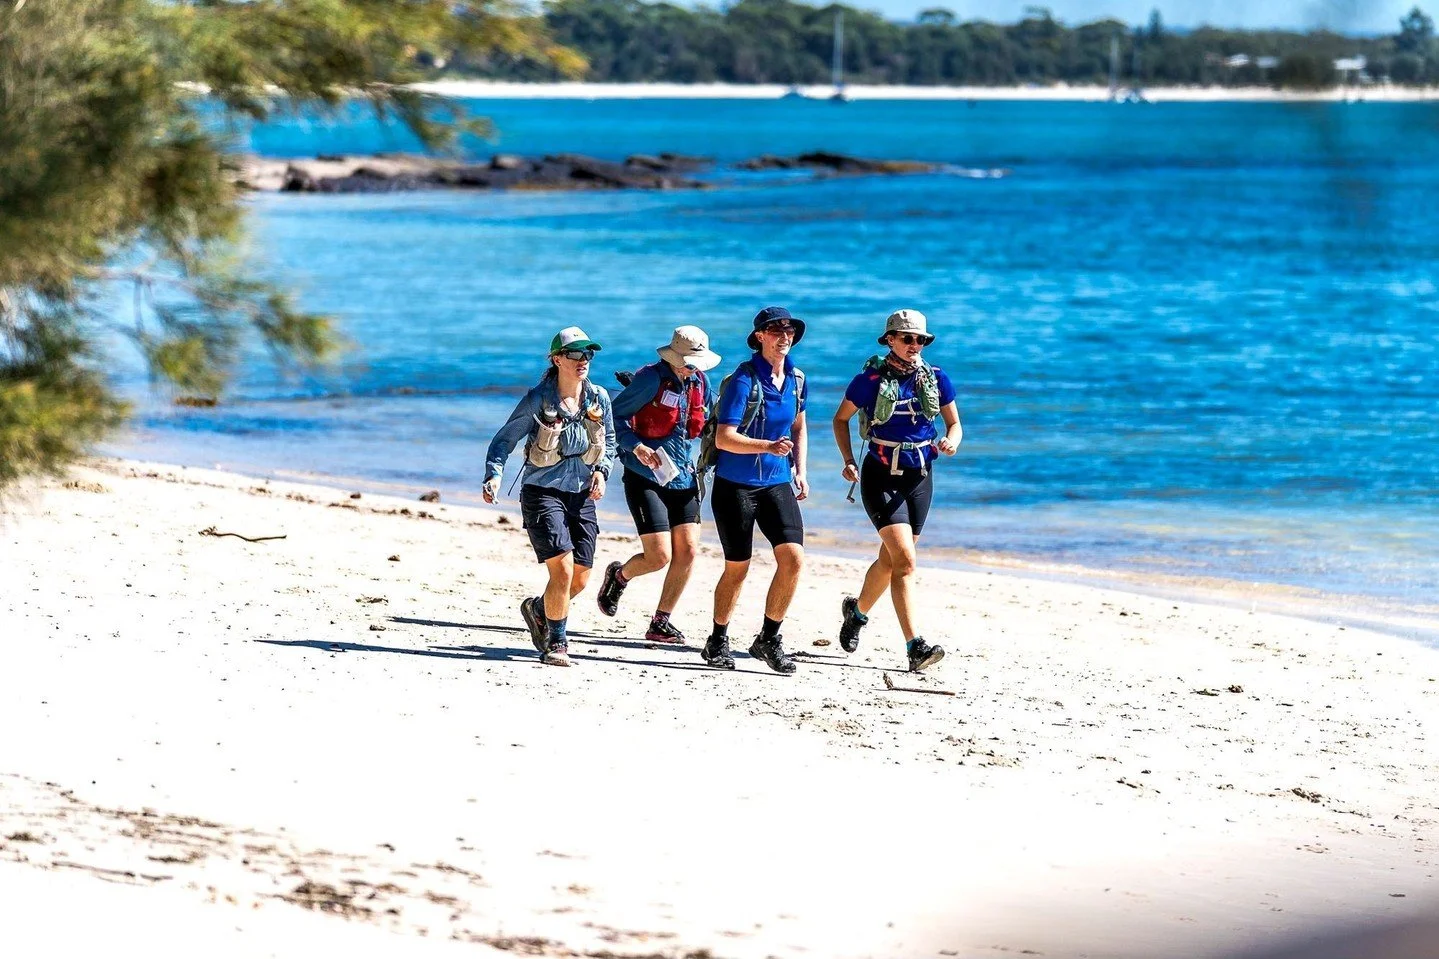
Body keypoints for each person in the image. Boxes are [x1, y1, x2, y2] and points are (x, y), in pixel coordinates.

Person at [830, 309, 961, 672]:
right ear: (890, 340)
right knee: (905, 561)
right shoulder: (868, 380)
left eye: (920, 339)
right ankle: (915, 647)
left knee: (891, 560)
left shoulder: (936, 378)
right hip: (880, 475)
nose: (915, 345)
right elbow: (840, 419)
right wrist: (847, 459)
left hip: (920, 475)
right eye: (907, 338)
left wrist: (951, 441)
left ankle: (856, 614)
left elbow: (955, 425)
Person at [483, 327, 616, 667]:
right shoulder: (538, 399)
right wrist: (494, 474)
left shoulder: (599, 397)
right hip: (542, 492)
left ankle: (539, 609)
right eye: (575, 354)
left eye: (588, 354)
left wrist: (602, 471)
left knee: (582, 577)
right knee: (563, 571)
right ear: (557, 359)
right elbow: (504, 440)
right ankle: (556, 643)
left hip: (582, 493)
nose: (583, 360)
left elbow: (610, 441)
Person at [700, 306, 810, 674]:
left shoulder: (796, 379)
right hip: (735, 487)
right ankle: (717, 639)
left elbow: (798, 426)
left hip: (777, 482)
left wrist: (800, 469)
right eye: (775, 330)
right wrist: (766, 446)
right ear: (759, 336)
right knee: (738, 567)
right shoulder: (745, 379)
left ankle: (769, 638)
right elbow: (724, 437)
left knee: (793, 560)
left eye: (789, 330)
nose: (784, 336)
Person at [596, 326, 722, 643]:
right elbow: (614, 418)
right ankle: (619, 576)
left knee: (689, 551)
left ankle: (660, 622)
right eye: (689, 362)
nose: (694, 368)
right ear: (674, 356)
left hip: (684, 476)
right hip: (644, 476)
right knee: (659, 556)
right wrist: (636, 446)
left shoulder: (701, 382)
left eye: (698, 363)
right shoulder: (650, 378)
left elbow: (708, 418)